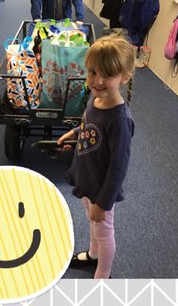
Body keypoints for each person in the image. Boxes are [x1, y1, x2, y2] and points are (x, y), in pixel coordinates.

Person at [59, 34, 135, 279]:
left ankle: (103, 273)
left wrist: (103, 203)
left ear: (125, 77)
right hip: (86, 177)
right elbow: (89, 125)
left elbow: (118, 168)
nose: (98, 81)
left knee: (104, 229)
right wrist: (74, 133)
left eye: (108, 75)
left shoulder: (120, 120)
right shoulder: (96, 98)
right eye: (92, 72)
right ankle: (93, 255)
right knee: (92, 222)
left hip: (102, 188)